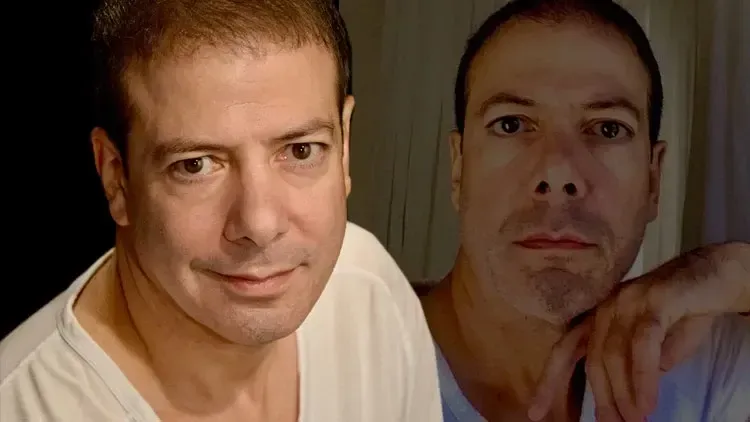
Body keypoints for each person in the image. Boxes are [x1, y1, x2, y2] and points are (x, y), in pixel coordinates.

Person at [0, 1, 442, 421]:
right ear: (116, 178)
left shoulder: (371, 293)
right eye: (195, 165)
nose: (260, 225)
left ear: (343, 147)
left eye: (301, 150)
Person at [419, 0, 750, 421]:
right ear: (459, 167)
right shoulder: (348, 371)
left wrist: (734, 271)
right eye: (512, 124)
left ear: (653, 179)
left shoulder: (707, 361)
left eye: (608, 129)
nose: (558, 173)